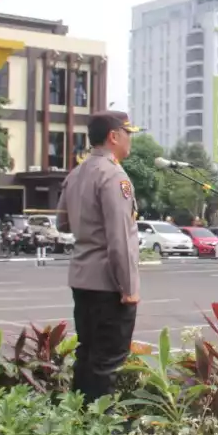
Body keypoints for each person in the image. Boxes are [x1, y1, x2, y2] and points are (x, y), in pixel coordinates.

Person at [57, 111, 141, 402]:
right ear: (113, 136)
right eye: (128, 133)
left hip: (82, 278)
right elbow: (119, 239)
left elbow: (62, 224)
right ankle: (100, 429)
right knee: (108, 363)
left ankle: (77, 421)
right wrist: (128, 289)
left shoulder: (76, 173)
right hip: (109, 284)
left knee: (87, 354)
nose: (131, 140)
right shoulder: (114, 175)